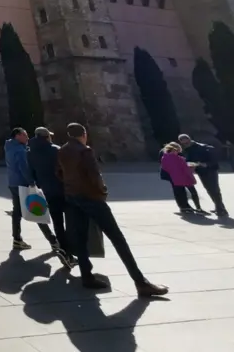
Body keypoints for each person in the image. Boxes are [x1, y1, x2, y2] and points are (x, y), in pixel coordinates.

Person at [58, 123, 168, 296]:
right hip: (91, 198)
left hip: (72, 197)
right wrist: (102, 192)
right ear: (84, 134)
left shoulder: (62, 151)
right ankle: (140, 282)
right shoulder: (85, 151)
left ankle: (86, 275)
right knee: (117, 238)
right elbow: (95, 177)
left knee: (80, 238)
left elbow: (59, 173)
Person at [27, 127, 77, 268]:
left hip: (46, 192)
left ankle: (64, 251)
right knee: (72, 221)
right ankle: (70, 251)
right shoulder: (56, 150)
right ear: (47, 136)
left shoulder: (30, 153)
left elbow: (31, 174)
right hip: (63, 190)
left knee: (58, 223)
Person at [5, 128, 59, 251]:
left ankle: (17, 239)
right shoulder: (20, 150)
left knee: (17, 212)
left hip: (13, 183)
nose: (27, 138)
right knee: (37, 210)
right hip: (23, 184)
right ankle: (53, 241)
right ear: (17, 136)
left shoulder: (9, 147)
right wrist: (31, 183)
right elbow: (24, 168)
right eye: (25, 135)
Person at [179, 134, 228, 217]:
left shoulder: (203, 147)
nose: (185, 144)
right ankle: (219, 207)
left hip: (210, 170)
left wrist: (206, 164)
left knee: (214, 190)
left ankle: (221, 210)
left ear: (189, 139)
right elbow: (189, 159)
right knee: (209, 190)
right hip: (201, 171)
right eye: (183, 143)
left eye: (186, 142)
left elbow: (214, 160)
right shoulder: (188, 149)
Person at [161, 142, 205, 214]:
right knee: (193, 192)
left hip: (175, 178)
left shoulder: (164, 158)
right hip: (185, 177)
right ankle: (198, 208)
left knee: (180, 193)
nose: (178, 152)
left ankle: (184, 207)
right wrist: (192, 177)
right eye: (177, 150)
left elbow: (165, 168)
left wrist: (173, 173)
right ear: (173, 150)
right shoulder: (180, 159)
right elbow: (186, 170)